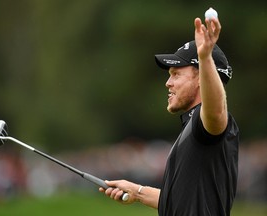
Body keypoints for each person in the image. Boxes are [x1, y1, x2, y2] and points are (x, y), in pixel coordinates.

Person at [99, 15, 239, 216]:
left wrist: (205, 58)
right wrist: (138, 192)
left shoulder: (206, 122)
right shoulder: (191, 127)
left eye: (176, 74)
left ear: (201, 78)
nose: (168, 83)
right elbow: (181, 202)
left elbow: (216, 111)